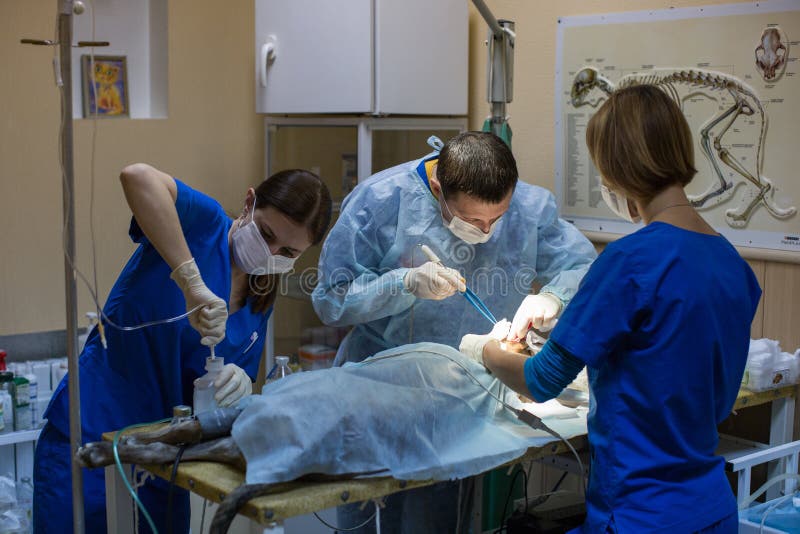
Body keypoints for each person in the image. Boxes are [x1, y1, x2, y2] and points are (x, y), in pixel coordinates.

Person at [460, 85, 762, 532]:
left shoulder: (630, 262)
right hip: (712, 508)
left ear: (618, 169)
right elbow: (705, 394)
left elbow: (541, 380)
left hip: (640, 514)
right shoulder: (733, 265)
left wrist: (482, 349)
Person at [312, 131, 596, 532]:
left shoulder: (531, 208)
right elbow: (331, 300)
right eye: (471, 220)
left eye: (497, 219)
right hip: (379, 393)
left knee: (435, 521)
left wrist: (552, 297)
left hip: (463, 403)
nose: (486, 232)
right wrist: (402, 284)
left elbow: (584, 267)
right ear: (436, 187)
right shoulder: (380, 201)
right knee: (371, 520)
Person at [33, 164, 332, 534]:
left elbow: (225, 394)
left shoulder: (260, 297)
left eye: (287, 250)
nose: (270, 252)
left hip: (165, 461)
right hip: (96, 431)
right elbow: (136, 176)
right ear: (249, 203)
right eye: (266, 233)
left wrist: (238, 384)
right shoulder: (203, 225)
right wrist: (189, 279)